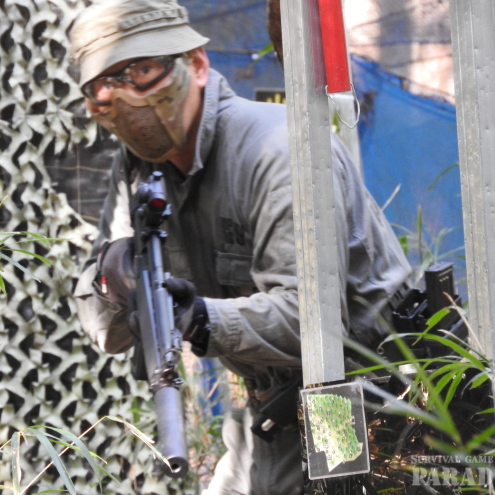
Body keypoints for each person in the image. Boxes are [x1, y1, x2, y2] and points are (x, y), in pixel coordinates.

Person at [71, 1, 411, 494]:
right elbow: (106, 330)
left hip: (364, 399)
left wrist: (199, 318)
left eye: (141, 72)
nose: (122, 97)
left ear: (197, 64)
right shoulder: (140, 171)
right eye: (103, 86)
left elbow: (313, 326)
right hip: (273, 408)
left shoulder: (277, 148)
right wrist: (116, 277)